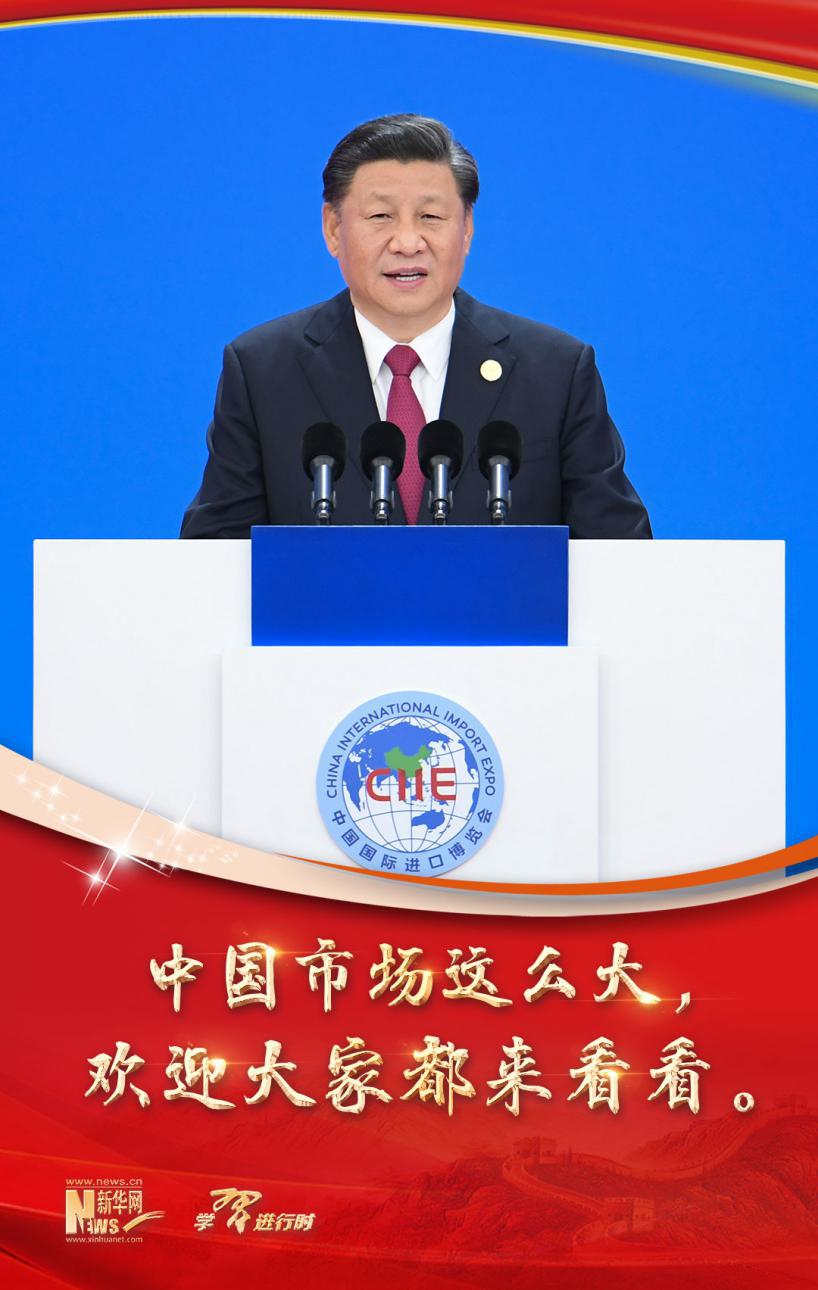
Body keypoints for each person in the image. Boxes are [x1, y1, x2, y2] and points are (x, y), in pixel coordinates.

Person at [181, 114, 651, 537]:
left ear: (466, 229)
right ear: (332, 228)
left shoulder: (554, 372)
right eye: (380, 216)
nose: (408, 242)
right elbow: (212, 560)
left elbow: (622, 554)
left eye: (430, 216)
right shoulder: (264, 371)